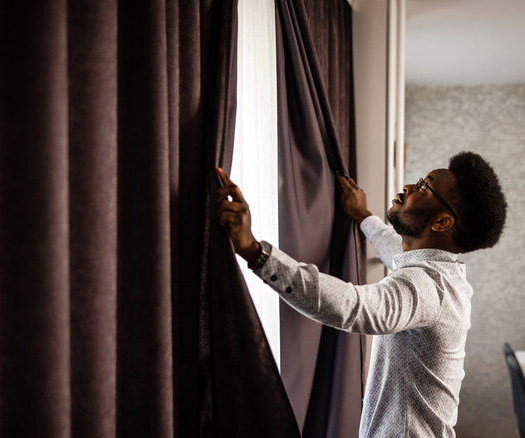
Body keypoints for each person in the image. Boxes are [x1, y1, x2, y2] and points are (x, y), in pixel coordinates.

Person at [215, 151, 507, 438]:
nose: (408, 188)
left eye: (424, 187)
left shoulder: (429, 286)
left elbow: (353, 307)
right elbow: (396, 251)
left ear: (443, 222)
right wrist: (363, 216)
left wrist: (254, 252)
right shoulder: (437, 268)